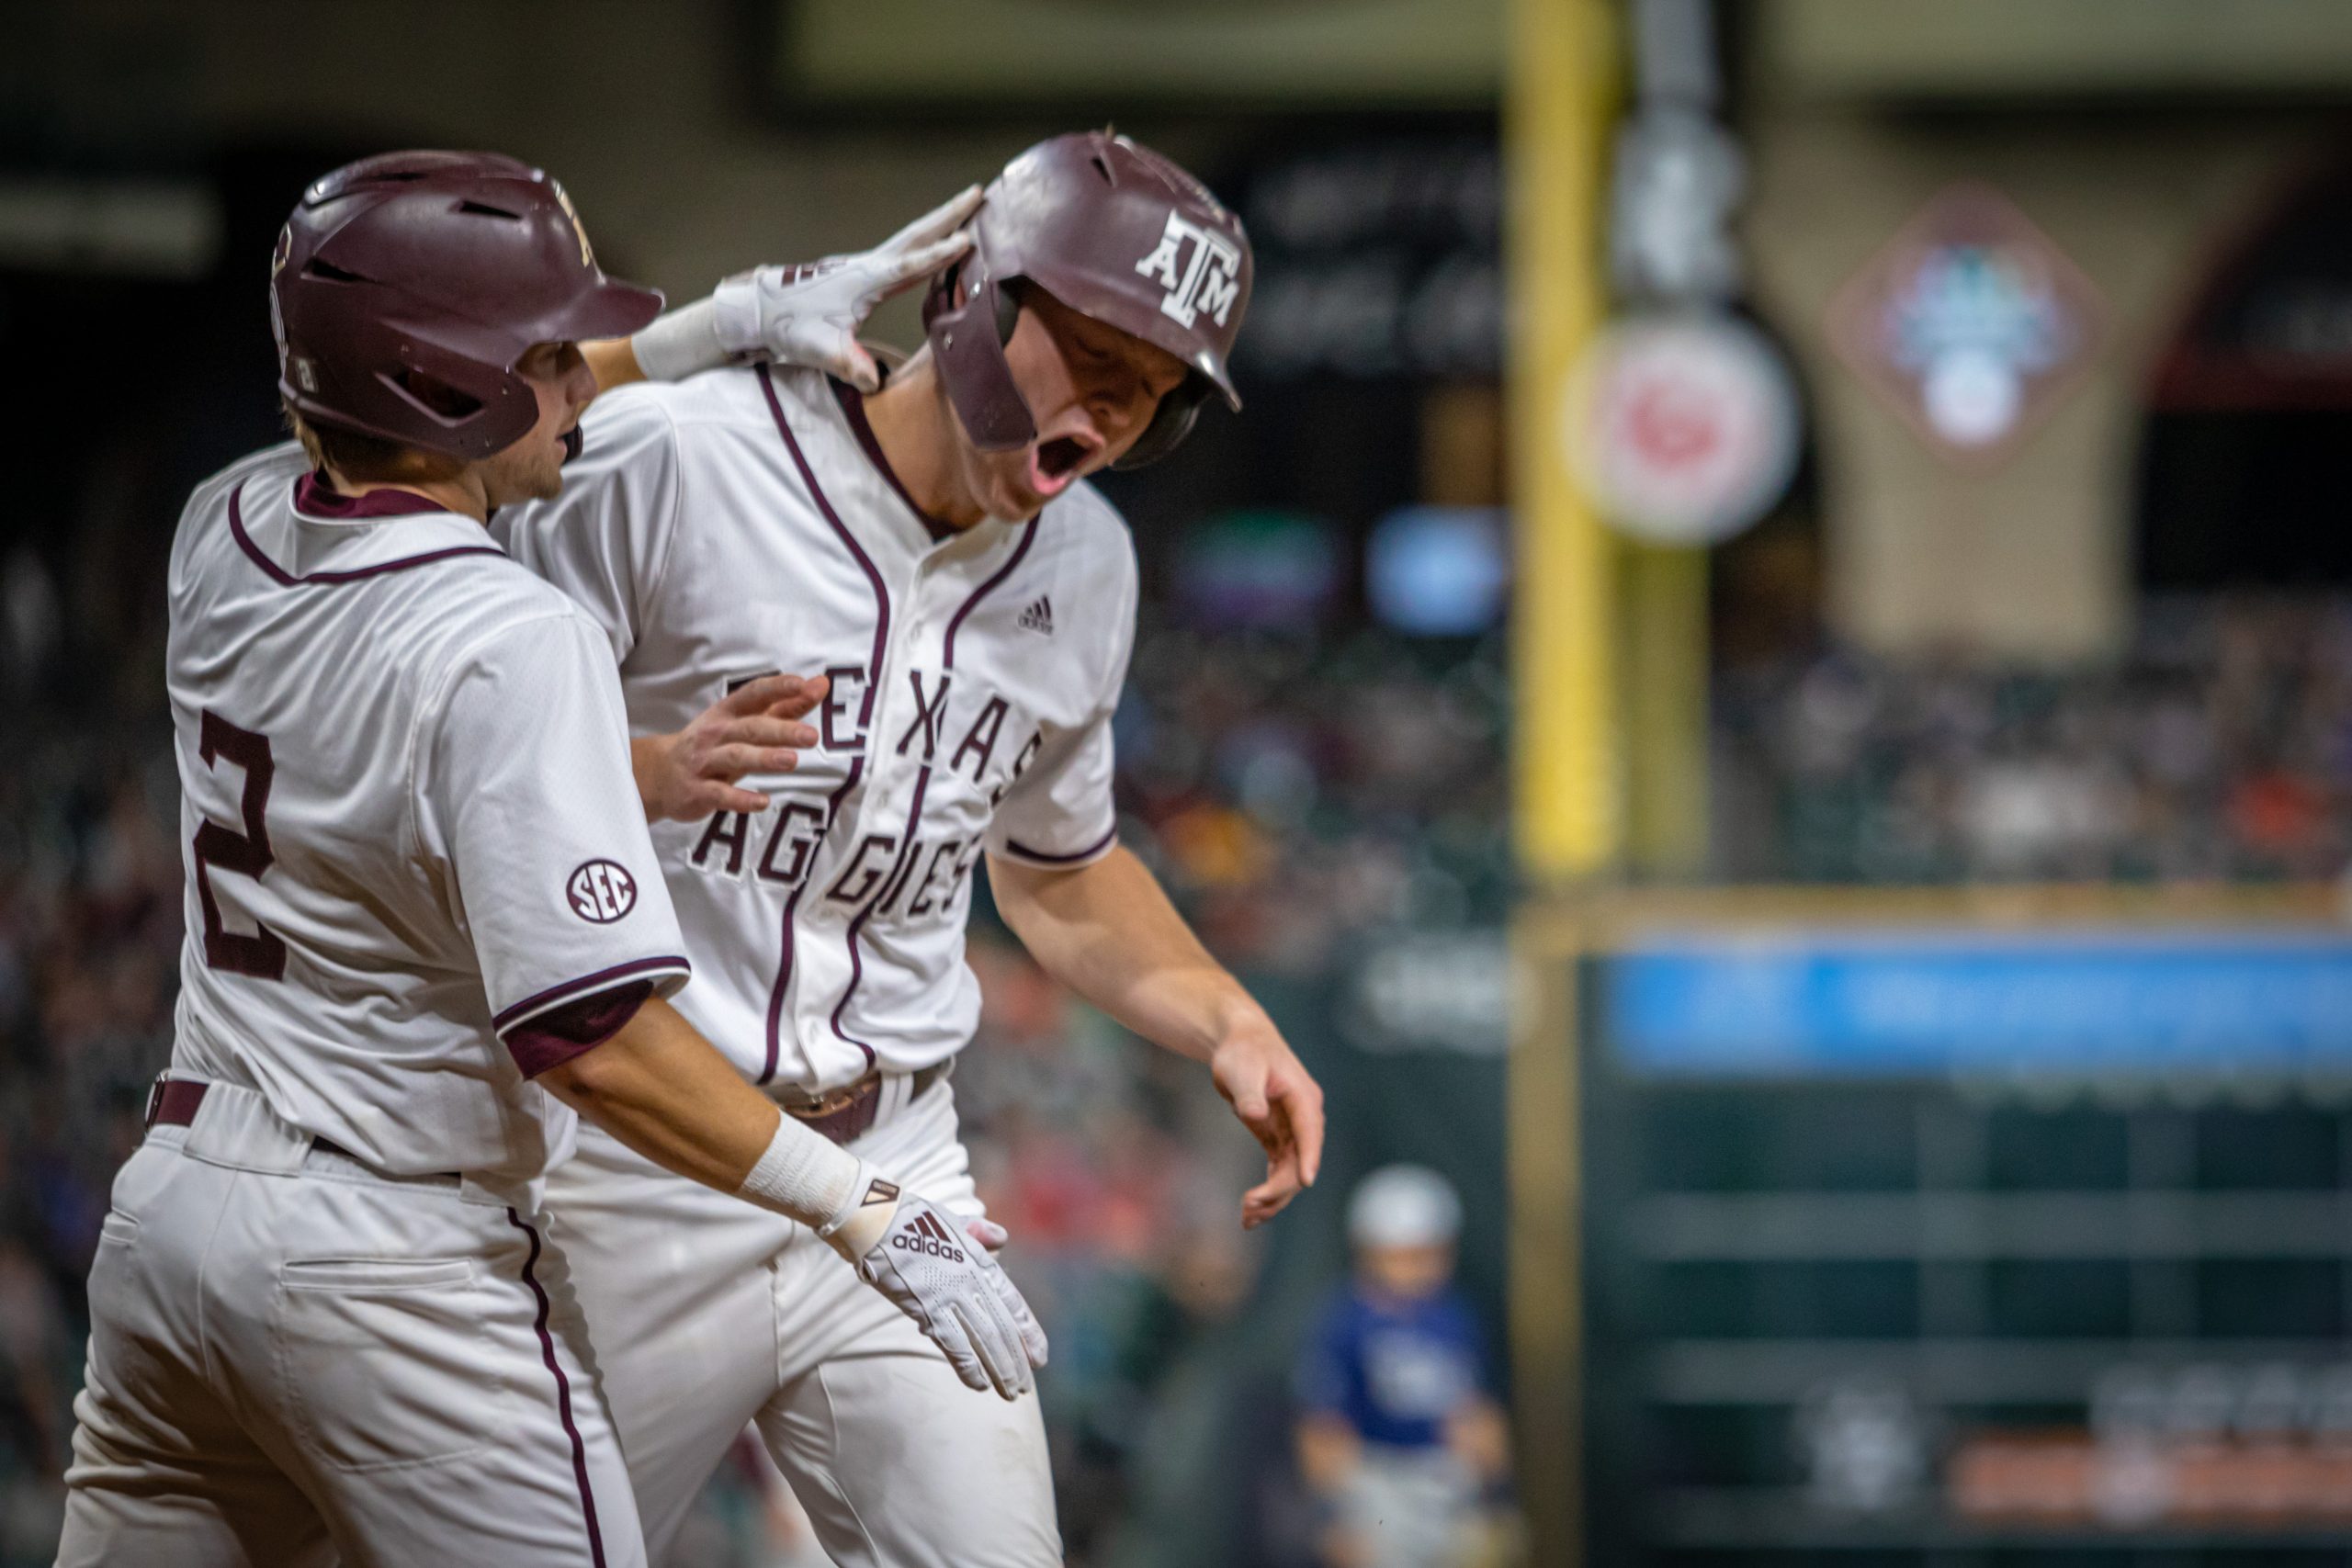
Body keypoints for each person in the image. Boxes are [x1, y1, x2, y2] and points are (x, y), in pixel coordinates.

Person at [54, 150, 1043, 1568]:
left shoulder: (225, 525)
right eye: (549, 355)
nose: (586, 379)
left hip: (172, 1231)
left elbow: (386, 787)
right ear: (448, 388)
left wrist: (633, 771)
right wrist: (867, 1204)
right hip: (388, 1259)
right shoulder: (516, 635)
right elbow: (594, 1040)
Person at [490, 129, 1327, 1566]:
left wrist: (1226, 1014)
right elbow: (452, 747)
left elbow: (1056, 867)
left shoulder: (1088, 565)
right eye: (1098, 356)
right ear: (973, 296)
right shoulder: (678, 457)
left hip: (898, 1168)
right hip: (624, 1168)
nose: (1118, 420)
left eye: (1157, 397)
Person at [1295, 1166, 1512, 1568]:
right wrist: (1331, 1514)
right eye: (1402, 1256)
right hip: (1378, 1479)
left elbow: (1476, 1414)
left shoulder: (1456, 1318)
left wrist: (1495, 1497)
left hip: (1445, 1478)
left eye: (1429, 1254)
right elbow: (1325, 1430)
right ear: (1369, 1253)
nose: (1417, 1269)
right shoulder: (1345, 1323)